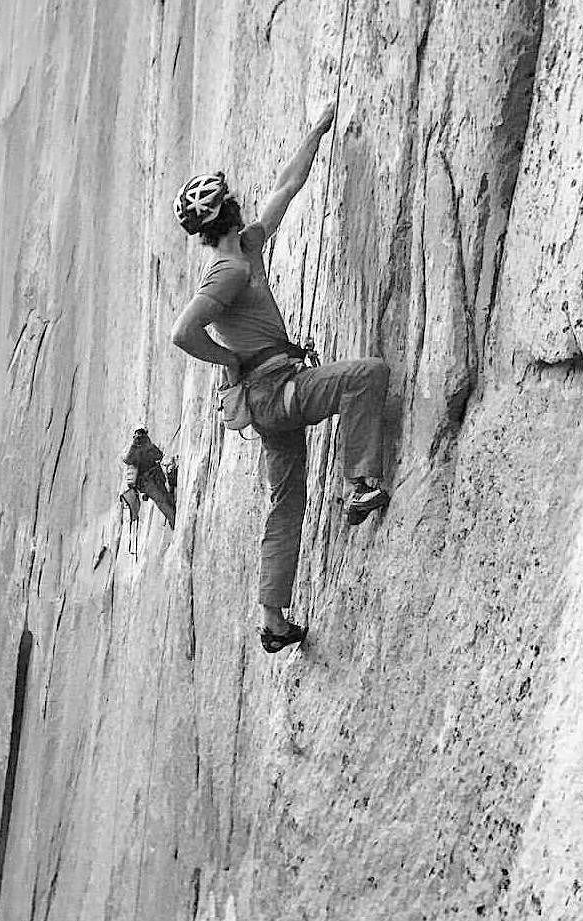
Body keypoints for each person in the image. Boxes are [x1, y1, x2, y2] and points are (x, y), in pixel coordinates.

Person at [170, 102, 390, 654]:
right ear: (230, 208)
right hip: (274, 390)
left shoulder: (246, 246)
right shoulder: (230, 268)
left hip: (267, 396)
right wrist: (227, 360)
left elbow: (288, 187)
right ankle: (361, 484)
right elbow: (183, 331)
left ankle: (273, 618)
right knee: (366, 376)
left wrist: (315, 131)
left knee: (285, 501)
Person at [121, 428, 176, 529]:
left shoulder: (146, 444)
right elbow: (127, 459)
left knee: (165, 499)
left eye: (141, 435)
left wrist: (148, 446)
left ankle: (174, 521)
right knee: (162, 502)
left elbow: (158, 455)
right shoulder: (132, 448)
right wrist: (134, 446)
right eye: (138, 435)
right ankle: (175, 523)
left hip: (155, 478)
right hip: (147, 482)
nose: (140, 437)